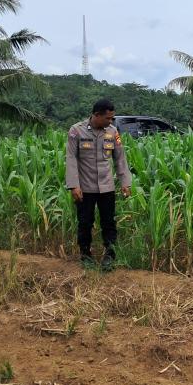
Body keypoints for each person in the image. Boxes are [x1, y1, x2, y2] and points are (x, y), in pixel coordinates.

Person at [65, 99, 131, 271]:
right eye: (108, 118)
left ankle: (109, 256)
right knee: (85, 222)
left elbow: (120, 158)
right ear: (96, 115)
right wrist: (74, 185)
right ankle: (85, 254)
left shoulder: (112, 132)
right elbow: (71, 159)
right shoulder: (76, 131)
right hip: (84, 188)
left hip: (107, 187)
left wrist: (125, 182)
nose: (111, 121)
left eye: (112, 118)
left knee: (109, 222)